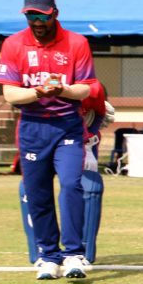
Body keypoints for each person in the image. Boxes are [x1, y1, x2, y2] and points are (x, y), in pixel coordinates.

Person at [0, 0, 96, 280]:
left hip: (67, 125)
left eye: (42, 16)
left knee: (71, 184)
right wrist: (39, 92)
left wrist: (62, 89)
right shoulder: (13, 44)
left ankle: (74, 254)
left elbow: (85, 89)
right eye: (31, 16)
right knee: (37, 192)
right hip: (32, 127)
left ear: (55, 13)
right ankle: (48, 256)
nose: (37, 23)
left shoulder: (76, 43)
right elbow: (10, 94)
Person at [20, 79, 114, 265]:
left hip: (80, 141)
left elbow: (99, 113)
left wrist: (88, 135)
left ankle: (81, 252)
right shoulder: (38, 83)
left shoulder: (92, 89)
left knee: (88, 185)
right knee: (29, 188)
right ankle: (41, 251)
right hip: (43, 139)